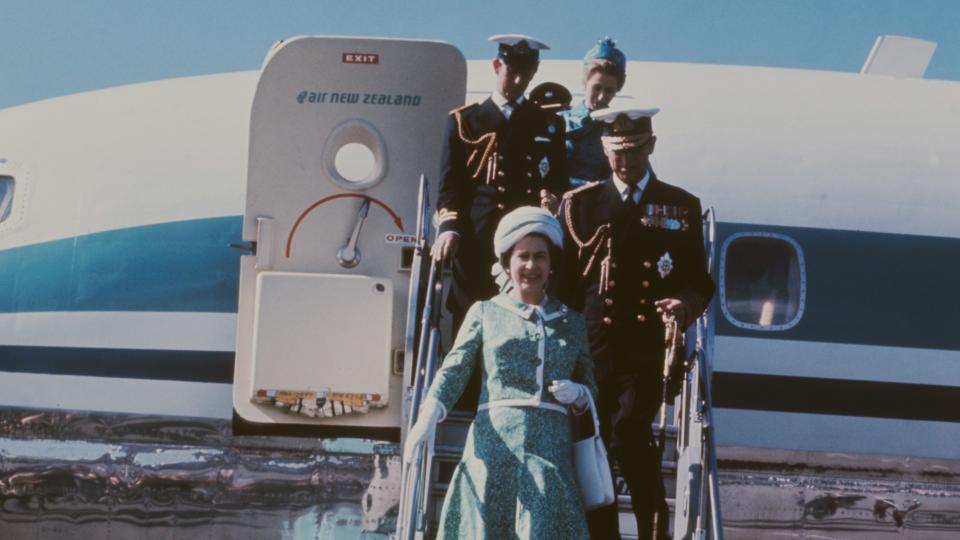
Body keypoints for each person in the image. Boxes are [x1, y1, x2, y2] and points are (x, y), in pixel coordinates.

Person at [557, 106, 715, 540]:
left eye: (633, 151)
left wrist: (683, 304)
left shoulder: (681, 206)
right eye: (615, 152)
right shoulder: (581, 206)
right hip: (594, 346)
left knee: (628, 430)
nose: (624, 162)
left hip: (648, 349)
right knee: (598, 448)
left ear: (651, 146)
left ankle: (652, 531)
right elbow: (567, 285)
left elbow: (699, 280)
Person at [406, 207, 597, 539]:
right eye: (522, 257)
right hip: (494, 450)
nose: (531, 266)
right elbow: (456, 368)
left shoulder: (572, 322)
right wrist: (428, 415)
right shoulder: (485, 312)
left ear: (551, 264)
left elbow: (591, 385)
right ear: (507, 263)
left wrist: (580, 395)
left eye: (540, 257)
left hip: (549, 454)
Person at [431, 34, 569, 332]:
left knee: (520, 330)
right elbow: (450, 187)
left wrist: (553, 197)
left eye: (527, 73)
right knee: (470, 330)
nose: (519, 80)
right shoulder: (465, 122)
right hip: (477, 242)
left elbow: (558, 180)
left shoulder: (548, 124)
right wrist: (449, 228)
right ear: (497, 66)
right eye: (512, 71)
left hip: (526, 246)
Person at [561, 37, 627, 186]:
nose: (602, 96)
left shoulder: (621, 128)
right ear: (585, 82)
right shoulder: (559, 121)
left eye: (609, 91)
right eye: (597, 88)